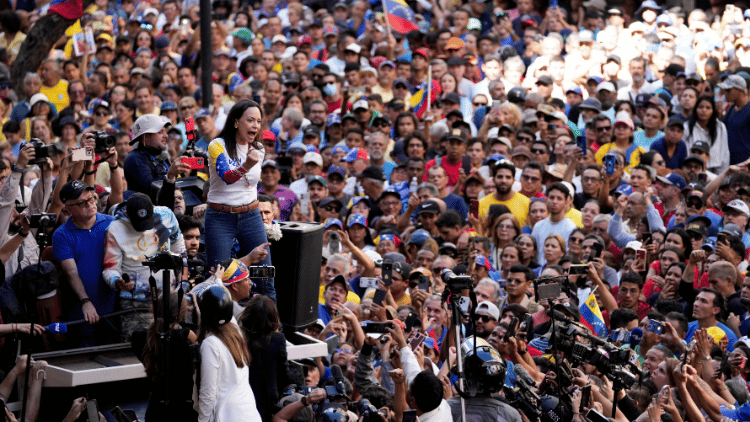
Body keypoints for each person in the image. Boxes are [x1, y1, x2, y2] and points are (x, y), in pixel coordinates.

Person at [204, 100, 275, 302]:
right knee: (219, 278)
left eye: (258, 121)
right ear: (236, 122)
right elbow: (227, 176)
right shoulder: (217, 145)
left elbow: (249, 184)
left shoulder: (258, 148)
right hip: (220, 218)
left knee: (265, 277)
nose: (255, 125)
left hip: (251, 216)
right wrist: (247, 164)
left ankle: (272, 328)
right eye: (250, 120)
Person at [196, 285, 261, 422]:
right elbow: (223, 307)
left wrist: (203, 420)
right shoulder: (236, 331)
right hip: (249, 414)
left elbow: (208, 393)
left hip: (228, 416)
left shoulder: (211, 344)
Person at [238, 295, 288, 422]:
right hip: (268, 399)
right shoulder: (278, 340)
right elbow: (283, 373)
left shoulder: (240, 338)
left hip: (243, 396)